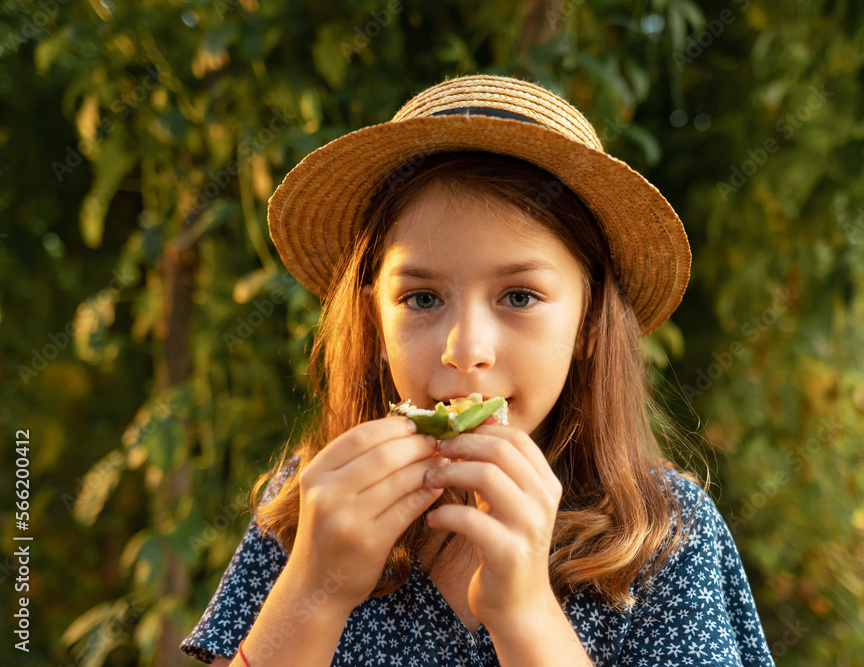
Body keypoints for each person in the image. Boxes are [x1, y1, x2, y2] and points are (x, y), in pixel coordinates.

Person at [180, 74, 775, 666]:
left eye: (518, 296)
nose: (465, 351)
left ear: (589, 324)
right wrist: (314, 589)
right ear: (375, 324)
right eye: (421, 299)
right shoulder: (312, 502)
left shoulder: (663, 531)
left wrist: (525, 614)